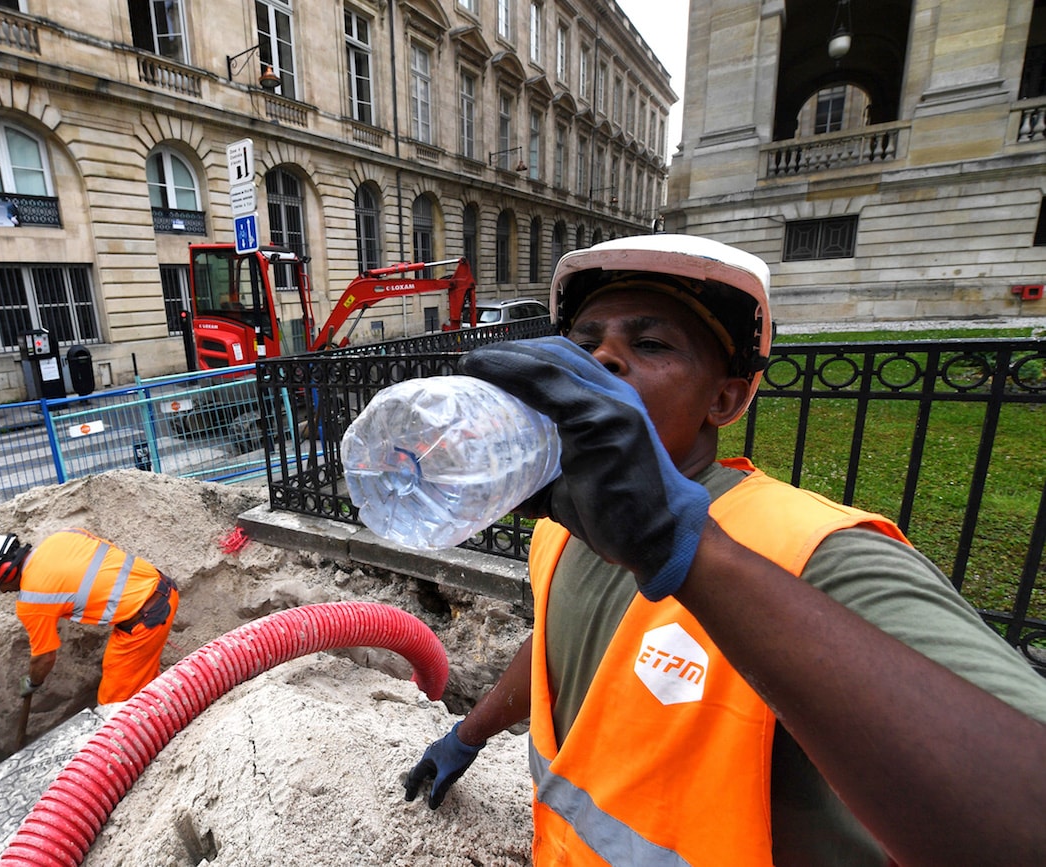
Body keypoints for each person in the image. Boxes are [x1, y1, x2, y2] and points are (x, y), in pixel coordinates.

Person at [402, 234, 1046, 866]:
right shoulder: (565, 527)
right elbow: (559, 647)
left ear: (726, 398)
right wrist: (469, 734)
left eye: (649, 343)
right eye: (584, 341)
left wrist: (690, 553)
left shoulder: (812, 554)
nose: (602, 358)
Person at [0, 528, 178, 706]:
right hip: (163, 589)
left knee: (113, 705)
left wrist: (32, 682)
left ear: (4, 570)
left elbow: (44, 657)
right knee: (135, 676)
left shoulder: (31, 599)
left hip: (145, 622)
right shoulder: (62, 537)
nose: (2, 592)